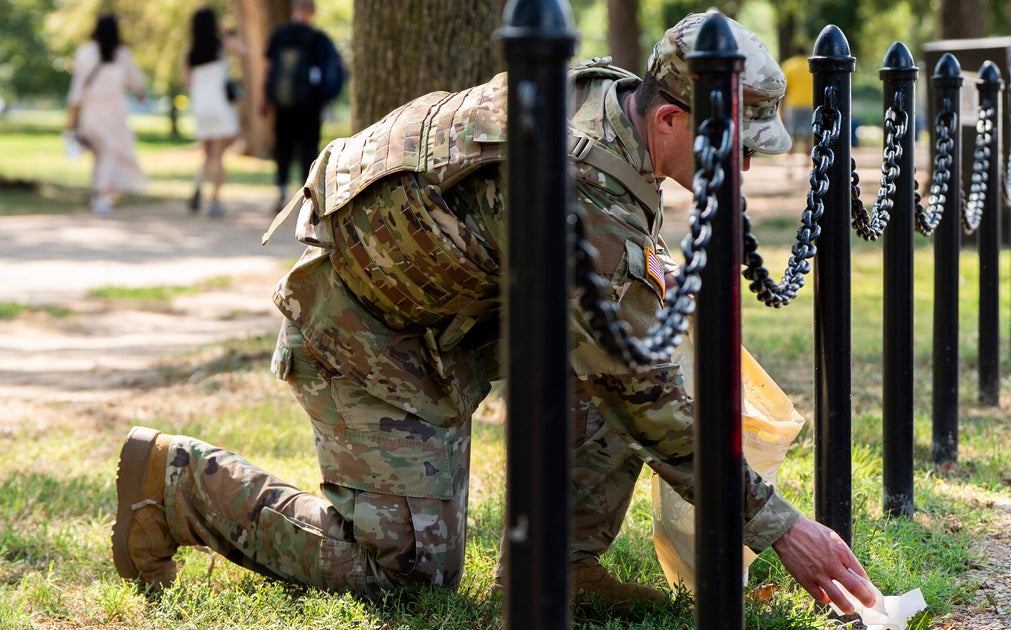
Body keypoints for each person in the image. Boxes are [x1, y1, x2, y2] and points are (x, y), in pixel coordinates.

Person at [110, 12, 877, 618]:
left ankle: (559, 565)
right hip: (371, 329)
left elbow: (616, 341)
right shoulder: (582, 179)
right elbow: (635, 389)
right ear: (672, 119)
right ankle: (179, 483)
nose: (745, 165)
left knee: (632, 341)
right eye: (739, 145)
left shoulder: (618, 104)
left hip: (462, 312)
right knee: (403, 570)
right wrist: (781, 526)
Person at [262, 0, 341, 214]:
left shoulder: (279, 35)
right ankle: (307, 196)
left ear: (293, 10)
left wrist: (266, 99)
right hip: (310, 106)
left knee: (283, 147)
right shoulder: (317, 39)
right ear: (312, 12)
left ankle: (281, 191)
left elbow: (268, 70)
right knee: (308, 149)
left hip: (283, 103)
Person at [66, 12, 146, 217]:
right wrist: (139, 92)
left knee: (101, 155)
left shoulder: (85, 53)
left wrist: (72, 119)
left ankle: (99, 196)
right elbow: (137, 83)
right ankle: (102, 197)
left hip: (92, 112)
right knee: (108, 153)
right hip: (113, 112)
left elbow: (76, 91)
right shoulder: (122, 54)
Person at [184, 7, 248, 219]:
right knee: (219, 155)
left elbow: (187, 81)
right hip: (219, 104)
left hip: (200, 106)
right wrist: (226, 31)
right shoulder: (221, 46)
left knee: (205, 153)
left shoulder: (190, 53)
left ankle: (197, 186)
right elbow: (244, 50)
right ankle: (216, 200)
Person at [780, 46, 813, 168]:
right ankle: (808, 162)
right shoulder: (811, 65)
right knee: (809, 135)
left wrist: (782, 109)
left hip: (793, 104)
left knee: (791, 134)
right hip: (810, 104)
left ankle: (790, 163)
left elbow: (783, 89)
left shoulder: (788, 65)